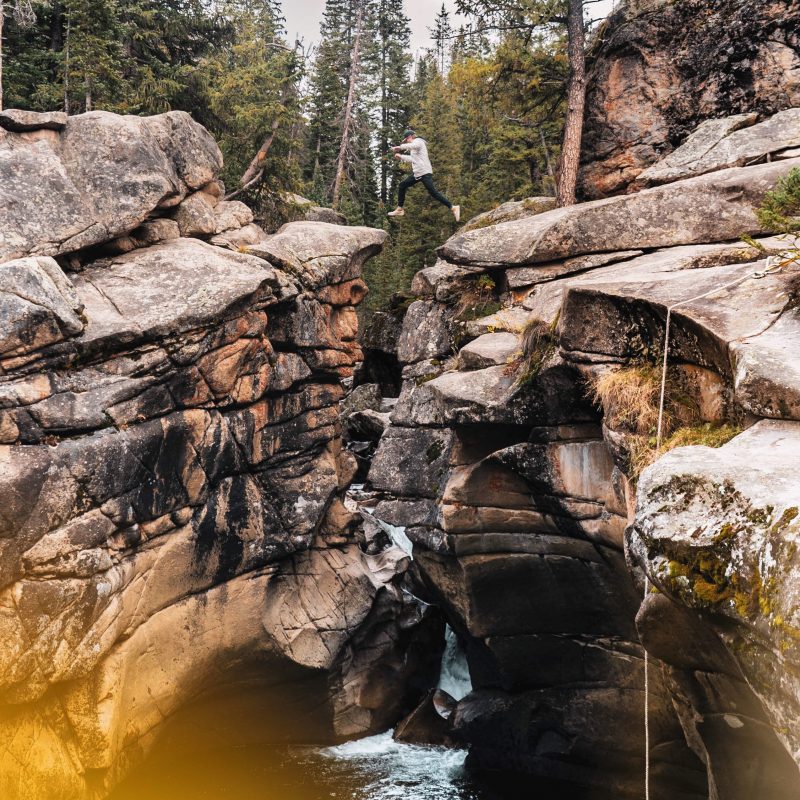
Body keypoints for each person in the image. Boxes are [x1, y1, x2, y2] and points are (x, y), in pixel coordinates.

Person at [387, 130, 460, 222]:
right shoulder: (414, 147)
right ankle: (399, 209)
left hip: (424, 173)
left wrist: (400, 147)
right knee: (402, 185)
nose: (407, 142)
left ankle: (453, 207)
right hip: (418, 173)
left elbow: (413, 145)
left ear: (409, 137)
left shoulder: (418, 141)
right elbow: (413, 159)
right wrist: (401, 157)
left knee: (434, 192)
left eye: (406, 140)